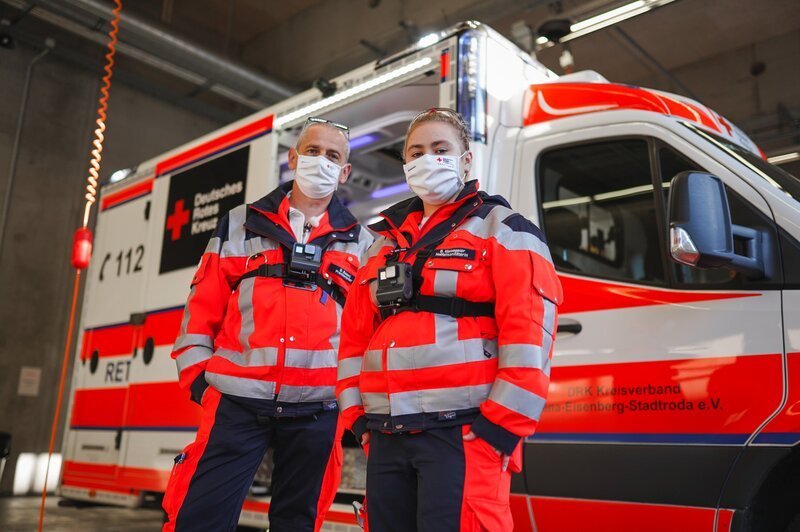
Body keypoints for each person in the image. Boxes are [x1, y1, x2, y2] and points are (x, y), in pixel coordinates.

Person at [336, 108, 562, 531]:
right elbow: (352, 342)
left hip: (463, 431)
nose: (428, 159)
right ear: (405, 164)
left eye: (441, 149)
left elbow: (530, 334)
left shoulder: (504, 229)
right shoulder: (381, 245)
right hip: (387, 434)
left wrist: (498, 429)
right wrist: (359, 422)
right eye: (416, 152)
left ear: (465, 160)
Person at [163, 117, 372, 532]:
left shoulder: (364, 244)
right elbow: (199, 314)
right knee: (198, 519)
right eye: (313, 151)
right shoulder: (240, 223)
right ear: (293, 157)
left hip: (318, 408)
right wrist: (201, 386)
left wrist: (349, 401)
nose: (321, 162)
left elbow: (365, 335)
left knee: (298, 522)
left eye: (333, 156)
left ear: (345, 172)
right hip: (236, 402)